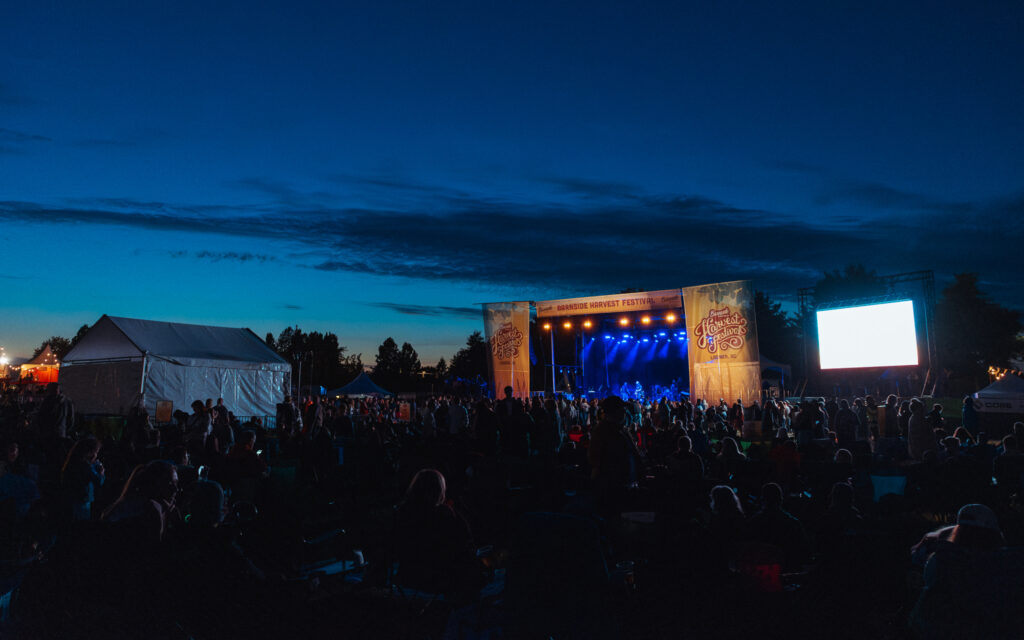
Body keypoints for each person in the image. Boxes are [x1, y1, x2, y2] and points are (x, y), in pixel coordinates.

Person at [394, 469, 482, 598]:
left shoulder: (403, 513)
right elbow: (463, 549)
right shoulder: (445, 515)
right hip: (437, 584)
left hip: (407, 580)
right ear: (440, 490)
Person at [61, 437, 105, 521]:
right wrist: (101, 472)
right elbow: (98, 481)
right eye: (96, 452)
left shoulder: (73, 462)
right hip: (82, 501)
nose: (96, 455)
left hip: (72, 500)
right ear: (90, 452)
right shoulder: (86, 466)